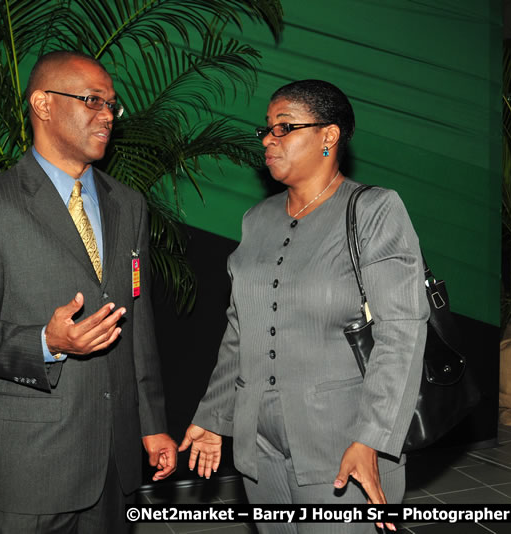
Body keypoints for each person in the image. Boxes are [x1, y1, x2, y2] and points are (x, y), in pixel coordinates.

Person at [0, 50, 177, 533]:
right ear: (43, 105)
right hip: (32, 466)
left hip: (115, 462)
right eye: (92, 100)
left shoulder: (128, 205)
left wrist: (151, 424)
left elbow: (139, 321)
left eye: (112, 104)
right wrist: (47, 344)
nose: (107, 115)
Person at [179, 80, 429, 533]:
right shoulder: (256, 220)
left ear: (328, 137)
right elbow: (241, 331)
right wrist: (214, 417)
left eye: (285, 127)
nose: (269, 139)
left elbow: (402, 331)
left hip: (342, 442)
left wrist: (371, 439)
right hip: (260, 445)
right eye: (267, 129)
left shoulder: (373, 210)